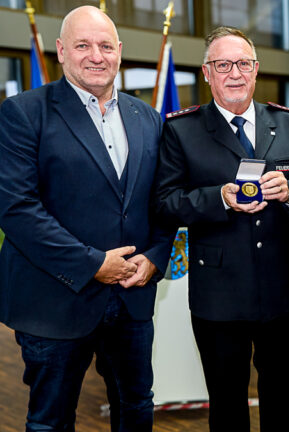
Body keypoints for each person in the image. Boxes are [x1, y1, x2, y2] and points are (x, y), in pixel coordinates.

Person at [0, 6, 171, 431]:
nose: (96, 55)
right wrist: (93, 263)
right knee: (51, 421)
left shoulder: (147, 118)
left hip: (132, 300)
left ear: (119, 52)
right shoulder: (22, 113)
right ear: (60, 51)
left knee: (136, 409)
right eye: (83, 45)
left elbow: (163, 201)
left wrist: (154, 256)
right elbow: (17, 210)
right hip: (54, 302)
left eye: (105, 45)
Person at [152, 26, 289, 432]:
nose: (235, 73)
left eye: (243, 63)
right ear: (207, 73)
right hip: (219, 294)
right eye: (223, 64)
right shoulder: (181, 130)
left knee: (281, 402)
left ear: (256, 69)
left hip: (281, 288)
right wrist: (220, 198)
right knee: (227, 407)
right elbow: (163, 203)